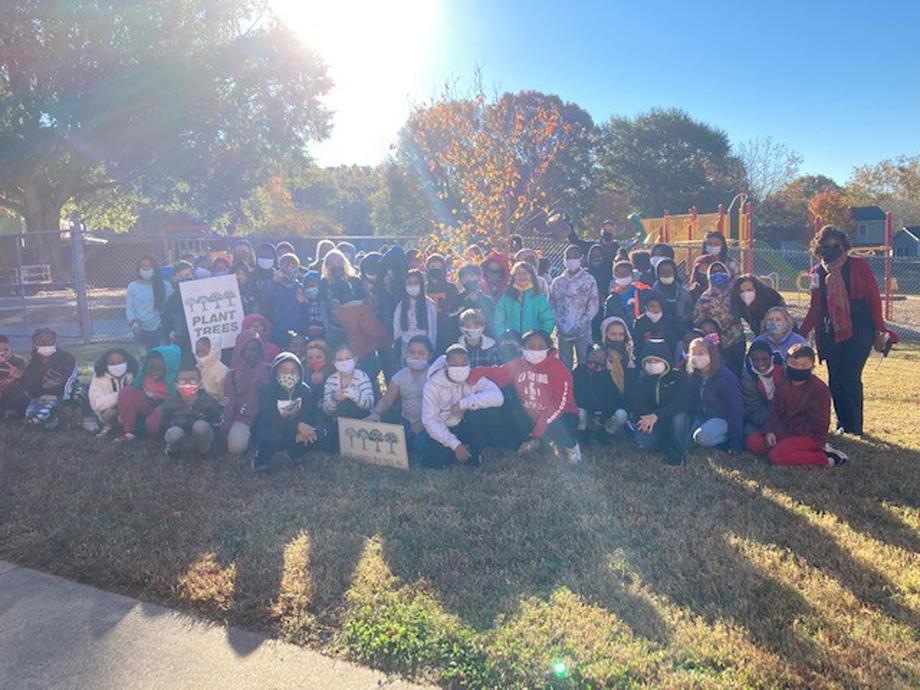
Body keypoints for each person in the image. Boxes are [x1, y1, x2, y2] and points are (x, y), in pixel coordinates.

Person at [798, 225, 889, 436]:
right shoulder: (817, 272)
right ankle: (842, 424)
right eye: (826, 245)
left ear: (844, 245)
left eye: (836, 245)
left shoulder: (858, 265)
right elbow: (815, 308)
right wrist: (800, 333)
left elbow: (873, 298)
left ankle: (855, 427)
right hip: (830, 331)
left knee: (850, 377)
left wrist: (880, 329)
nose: (832, 249)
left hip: (859, 330)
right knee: (835, 378)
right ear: (819, 248)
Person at [471, 329, 582, 464]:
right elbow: (498, 373)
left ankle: (572, 447)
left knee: (560, 428)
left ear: (549, 348)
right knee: (514, 419)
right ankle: (534, 441)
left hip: (559, 413)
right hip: (530, 412)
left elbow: (560, 402)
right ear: (522, 347)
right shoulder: (518, 364)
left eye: (540, 347)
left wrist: (542, 425)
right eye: (530, 346)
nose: (535, 350)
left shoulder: (558, 368)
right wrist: (475, 373)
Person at [746, 344, 848, 466]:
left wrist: (778, 433)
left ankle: (827, 458)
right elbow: (776, 411)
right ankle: (791, 447)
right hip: (783, 430)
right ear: (786, 364)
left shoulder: (820, 389)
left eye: (804, 365)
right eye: (794, 364)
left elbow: (816, 425)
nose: (798, 368)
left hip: (809, 435)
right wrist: (769, 431)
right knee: (753, 443)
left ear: (812, 367)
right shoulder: (783, 381)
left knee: (776, 457)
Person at [421, 344, 504, 468]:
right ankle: (460, 449)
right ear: (446, 364)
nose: (459, 367)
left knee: (477, 412)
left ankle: (478, 451)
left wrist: (463, 404)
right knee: (436, 462)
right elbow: (430, 421)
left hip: (465, 424)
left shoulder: (472, 377)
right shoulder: (432, 386)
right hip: (444, 427)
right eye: (454, 363)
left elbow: (498, 397)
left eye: (464, 362)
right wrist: (455, 445)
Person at [251, 353, 322, 473]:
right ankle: (262, 459)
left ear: (300, 372)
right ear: (276, 372)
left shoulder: (305, 390)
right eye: (284, 370)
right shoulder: (267, 390)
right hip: (272, 429)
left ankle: (295, 453)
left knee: (315, 433)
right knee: (271, 435)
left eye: (294, 370)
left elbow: (307, 414)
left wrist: (306, 428)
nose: (289, 374)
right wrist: (297, 426)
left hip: (294, 430)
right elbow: (269, 417)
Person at [629, 339, 692, 466]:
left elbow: (682, 402)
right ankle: (666, 442)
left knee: (679, 417)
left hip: (674, 419)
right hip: (655, 423)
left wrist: (657, 415)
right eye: (649, 361)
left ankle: (677, 451)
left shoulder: (679, 377)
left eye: (657, 360)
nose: (653, 364)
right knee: (644, 442)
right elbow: (639, 404)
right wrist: (647, 418)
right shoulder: (642, 382)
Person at [368, 335, 432, 457]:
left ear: (429, 356)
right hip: (406, 420)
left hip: (429, 421)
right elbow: (387, 399)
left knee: (420, 447)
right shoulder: (399, 377)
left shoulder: (434, 375)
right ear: (406, 353)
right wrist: (377, 413)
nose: (416, 356)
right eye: (412, 352)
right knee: (399, 447)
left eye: (421, 353)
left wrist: (424, 423)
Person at [685, 336, 744, 453]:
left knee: (702, 437)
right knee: (684, 439)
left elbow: (736, 410)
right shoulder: (692, 376)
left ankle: (724, 442)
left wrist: (736, 444)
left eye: (701, 353)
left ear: (712, 354)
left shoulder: (726, 377)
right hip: (701, 417)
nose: (697, 357)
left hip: (722, 419)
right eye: (693, 353)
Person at [114, 344, 181, 443]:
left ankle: (150, 430)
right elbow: (135, 388)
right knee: (126, 392)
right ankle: (129, 433)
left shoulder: (173, 380)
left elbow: (174, 402)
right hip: (147, 403)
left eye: (159, 368)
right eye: (151, 368)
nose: (154, 372)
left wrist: (163, 406)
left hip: (163, 408)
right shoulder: (145, 375)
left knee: (152, 425)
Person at [221, 329, 270, 456]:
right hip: (243, 418)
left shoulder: (270, 371)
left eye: (256, 349)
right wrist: (225, 429)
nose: (252, 354)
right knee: (236, 447)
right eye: (248, 350)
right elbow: (229, 404)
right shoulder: (232, 376)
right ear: (240, 351)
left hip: (266, 418)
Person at [549, 244, 599, 370]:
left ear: (581, 258)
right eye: (568, 257)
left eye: (575, 256)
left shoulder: (589, 280)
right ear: (564, 259)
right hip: (562, 331)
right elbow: (551, 304)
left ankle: (583, 387)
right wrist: (560, 323)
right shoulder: (557, 282)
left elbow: (593, 305)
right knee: (564, 364)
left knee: (585, 361)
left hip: (583, 331)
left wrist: (582, 323)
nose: (571, 259)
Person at [573, 343, 633, 444]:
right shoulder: (578, 372)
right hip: (587, 414)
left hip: (603, 417)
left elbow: (614, 400)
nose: (597, 360)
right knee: (580, 412)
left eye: (601, 358)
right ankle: (583, 435)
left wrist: (603, 417)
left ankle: (604, 434)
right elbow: (576, 397)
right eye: (594, 356)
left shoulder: (607, 376)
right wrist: (592, 412)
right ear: (587, 356)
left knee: (621, 415)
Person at [693, 262, 745, 377]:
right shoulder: (705, 297)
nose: (718, 274)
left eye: (721, 271)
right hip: (715, 344)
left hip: (735, 340)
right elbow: (697, 319)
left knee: (736, 374)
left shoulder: (735, 294)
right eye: (714, 272)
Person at [160, 363, 222, 459]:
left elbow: (217, 423)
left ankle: (206, 452)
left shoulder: (209, 402)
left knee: (201, 426)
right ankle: (173, 452)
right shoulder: (170, 403)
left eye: (192, 380)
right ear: (176, 384)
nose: (187, 384)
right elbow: (163, 424)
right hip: (181, 437)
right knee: (174, 433)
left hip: (203, 437)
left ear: (200, 383)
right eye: (183, 380)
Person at [20, 328, 78, 427]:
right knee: (33, 419)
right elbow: (31, 390)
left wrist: (64, 402)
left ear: (55, 340)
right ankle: (56, 416)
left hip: (63, 396)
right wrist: (21, 378)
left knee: (80, 392)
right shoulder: (32, 363)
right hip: (42, 398)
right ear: (35, 343)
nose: (45, 342)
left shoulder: (67, 358)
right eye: (40, 339)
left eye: (49, 338)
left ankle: (62, 414)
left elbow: (69, 381)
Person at [494, 262, 555, 337]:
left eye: (525, 273)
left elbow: (548, 319)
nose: (522, 276)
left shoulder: (538, 297)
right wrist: (503, 334)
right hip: (512, 340)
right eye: (518, 273)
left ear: (532, 276)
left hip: (532, 341)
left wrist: (542, 335)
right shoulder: (506, 297)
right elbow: (498, 320)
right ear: (513, 277)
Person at [126, 255, 171, 354]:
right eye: (143, 266)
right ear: (138, 268)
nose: (146, 269)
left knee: (160, 357)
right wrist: (134, 323)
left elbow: (169, 307)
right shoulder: (133, 287)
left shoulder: (165, 286)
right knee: (144, 359)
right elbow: (130, 309)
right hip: (140, 329)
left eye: (149, 266)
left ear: (155, 268)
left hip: (160, 328)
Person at [88, 348, 138, 437]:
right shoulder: (99, 378)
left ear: (127, 361)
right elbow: (97, 403)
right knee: (110, 414)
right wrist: (122, 395)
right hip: (109, 413)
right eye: (112, 363)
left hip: (132, 411)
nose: (116, 365)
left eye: (120, 362)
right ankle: (111, 426)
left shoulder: (134, 375)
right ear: (105, 364)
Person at [322, 344, 374, 427]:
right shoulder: (330, 380)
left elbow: (369, 404)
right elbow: (326, 410)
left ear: (355, 359)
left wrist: (354, 394)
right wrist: (334, 398)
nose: (344, 362)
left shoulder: (362, 376)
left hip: (362, 422)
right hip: (339, 424)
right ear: (334, 362)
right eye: (339, 360)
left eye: (347, 359)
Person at [741, 340, 782, 445]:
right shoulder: (747, 378)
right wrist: (769, 427)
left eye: (765, 359)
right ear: (750, 360)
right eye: (755, 360)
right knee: (753, 441)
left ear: (771, 358)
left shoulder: (784, 372)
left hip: (782, 417)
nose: (760, 364)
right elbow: (753, 408)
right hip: (759, 419)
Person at [393, 270, 438, 362]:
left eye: (416, 283)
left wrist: (430, 348)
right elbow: (397, 326)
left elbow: (432, 329)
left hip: (423, 345)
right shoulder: (402, 304)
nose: (412, 286)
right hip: (406, 345)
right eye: (409, 283)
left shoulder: (428, 304)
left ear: (421, 284)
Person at [448, 263, 496, 339]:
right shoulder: (456, 299)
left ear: (478, 278)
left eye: (473, 275)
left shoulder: (486, 300)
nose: (470, 279)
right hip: (461, 340)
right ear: (461, 280)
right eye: (466, 276)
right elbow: (451, 320)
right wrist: (465, 304)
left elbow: (492, 322)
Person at [687, 231, 739, 300]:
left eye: (717, 244)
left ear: (722, 245)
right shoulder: (699, 261)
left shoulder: (731, 263)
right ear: (705, 246)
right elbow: (692, 282)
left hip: (726, 300)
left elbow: (737, 283)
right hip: (702, 300)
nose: (713, 246)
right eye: (709, 244)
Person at [162, 260, 195, 355]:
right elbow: (167, 318)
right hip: (181, 340)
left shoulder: (201, 294)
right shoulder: (172, 299)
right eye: (180, 276)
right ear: (174, 278)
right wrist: (170, 331)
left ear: (193, 276)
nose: (184, 278)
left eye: (187, 275)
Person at [652, 258, 694, 331]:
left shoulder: (683, 293)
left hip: (681, 330)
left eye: (669, 271)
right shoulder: (652, 293)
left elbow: (690, 313)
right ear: (657, 274)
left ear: (675, 273)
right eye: (663, 272)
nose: (666, 274)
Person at [604, 260, 650, 325]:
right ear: (615, 276)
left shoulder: (643, 291)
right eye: (619, 273)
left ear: (632, 274)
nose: (623, 275)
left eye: (626, 272)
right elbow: (608, 320)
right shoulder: (611, 299)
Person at [0, 335, 29, 419]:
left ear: (11, 349)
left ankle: (19, 412)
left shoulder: (19, 361)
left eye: (6, 349)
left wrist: (19, 376)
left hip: (15, 395)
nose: (2, 353)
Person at [194, 335, 228, 403]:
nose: (200, 355)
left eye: (204, 352)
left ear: (213, 350)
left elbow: (225, 398)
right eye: (198, 352)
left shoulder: (221, 370)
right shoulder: (198, 367)